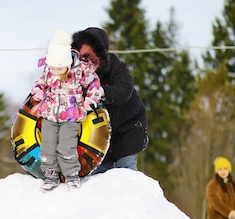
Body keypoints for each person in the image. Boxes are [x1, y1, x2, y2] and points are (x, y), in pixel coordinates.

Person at [30, 29, 104, 192]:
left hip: (71, 115)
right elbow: (41, 82)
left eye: (60, 69)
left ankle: (71, 175)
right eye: (53, 68)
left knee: (66, 146)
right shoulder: (51, 69)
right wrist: (38, 91)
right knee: (47, 146)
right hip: (50, 113)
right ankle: (51, 175)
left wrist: (88, 103)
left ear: (68, 63)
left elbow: (95, 86)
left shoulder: (80, 70)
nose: (56, 72)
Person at [71, 27, 148, 172]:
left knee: (125, 171)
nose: (87, 65)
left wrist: (100, 92)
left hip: (127, 128)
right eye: (83, 58)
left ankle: (130, 193)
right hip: (98, 133)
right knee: (99, 175)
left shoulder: (116, 68)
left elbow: (125, 90)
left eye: (91, 59)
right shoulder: (74, 75)